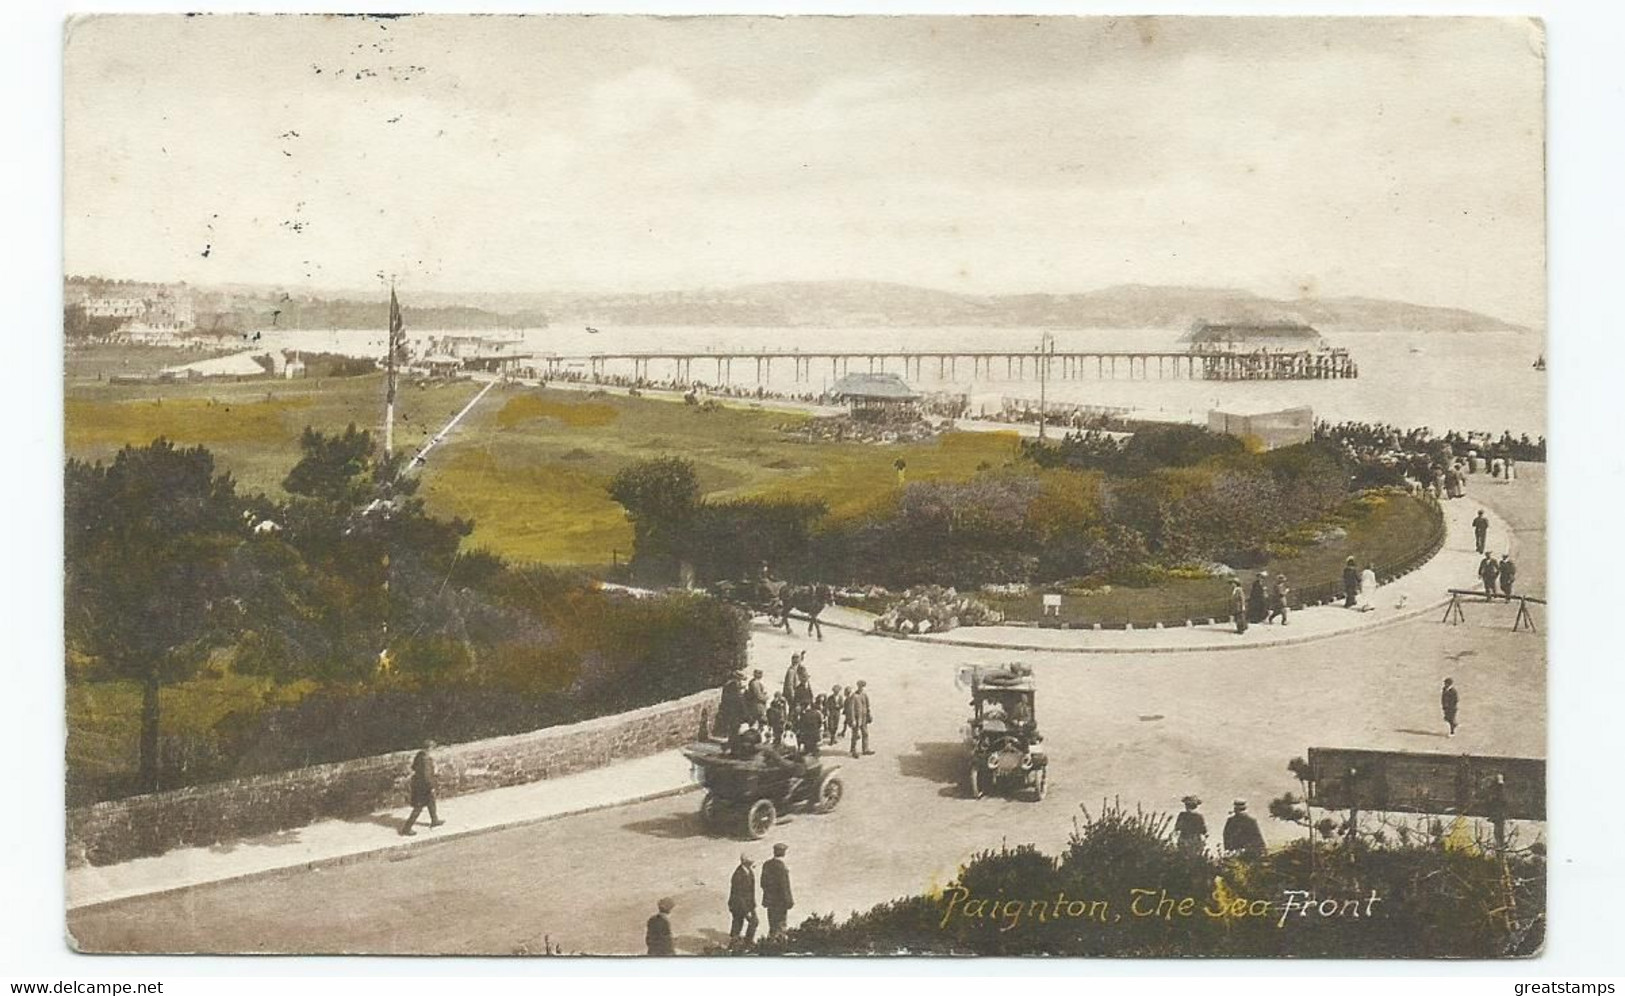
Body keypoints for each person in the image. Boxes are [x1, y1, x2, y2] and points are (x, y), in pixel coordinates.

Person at [399, 743, 444, 836]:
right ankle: (406, 829)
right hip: (423, 786)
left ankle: (434, 820)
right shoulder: (426, 760)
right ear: (430, 748)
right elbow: (427, 776)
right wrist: (431, 786)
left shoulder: (419, 755)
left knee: (431, 802)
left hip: (417, 783)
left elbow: (413, 767)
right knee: (418, 808)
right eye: (433, 748)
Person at [761, 843, 795, 939]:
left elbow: (763, 883)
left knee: (772, 924)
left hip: (770, 901)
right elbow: (784, 886)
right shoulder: (781, 867)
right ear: (783, 853)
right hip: (781, 901)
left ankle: (771, 943)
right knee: (781, 924)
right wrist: (789, 901)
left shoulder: (767, 864)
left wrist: (768, 895)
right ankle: (778, 945)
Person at [728, 854, 759, 948]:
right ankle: (735, 942)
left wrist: (752, 905)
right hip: (738, 904)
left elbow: (751, 891)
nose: (752, 863)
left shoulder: (749, 871)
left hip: (747, 903)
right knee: (740, 922)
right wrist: (747, 911)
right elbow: (739, 895)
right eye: (750, 862)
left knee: (748, 921)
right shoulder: (738, 875)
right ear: (745, 862)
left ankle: (746, 941)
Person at [844, 679, 873, 757]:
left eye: (863, 687)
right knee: (855, 735)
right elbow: (851, 709)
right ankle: (854, 750)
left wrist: (869, 715)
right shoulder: (854, 696)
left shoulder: (865, 695)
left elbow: (867, 706)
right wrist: (853, 719)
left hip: (864, 718)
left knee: (865, 733)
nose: (862, 688)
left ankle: (865, 749)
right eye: (860, 686)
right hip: (857, 718)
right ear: (858, 686)